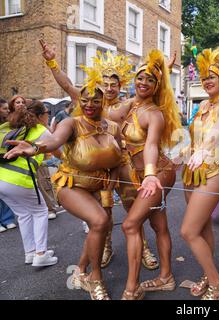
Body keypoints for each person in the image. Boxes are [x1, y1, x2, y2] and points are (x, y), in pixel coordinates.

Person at [41, 41, 158, 270]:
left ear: (120, 85)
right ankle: (105, 246)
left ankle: (143, 246)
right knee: (102, 211)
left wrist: (158, 69)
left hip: (120, 161)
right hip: (95, 166)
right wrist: (52, 62)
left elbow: (149, 90)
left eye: (113, 84)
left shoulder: (128, 104)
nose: (109, 87)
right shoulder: (91, 100)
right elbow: (67, 85)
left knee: (132, 205)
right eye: (105, 83)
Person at [5, 72, 122, 300]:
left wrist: (116, 180)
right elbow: (54, 140)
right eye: (85, 99)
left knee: (100, 227)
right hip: (72, 184)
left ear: (103, 102)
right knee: (99, 221)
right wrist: (35, 148)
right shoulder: (71, 123)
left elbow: (120, 156)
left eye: (95, 100)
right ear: (79, 100)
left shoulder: (113, 128)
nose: (89, 105)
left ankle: (79, 271)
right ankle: (95, 278)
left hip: (100, 187)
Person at [120, 49, 181, 300]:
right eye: (140, 78)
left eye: (150, 80)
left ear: (157, 86)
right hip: (143, 175)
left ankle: (132, 288)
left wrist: (148, 174)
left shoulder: (153, 113)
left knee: (130, 224)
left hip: (159, 173)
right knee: (158, 224)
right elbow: (103, 112)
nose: (144, 83)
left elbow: (151, 145)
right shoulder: (131, 105)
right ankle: (166, 277)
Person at [180, 47, 219, 300]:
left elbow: (217, 129)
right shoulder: (202, 104)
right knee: (202, 227)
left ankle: (216, 283)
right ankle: (207, 272)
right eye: (204, 77)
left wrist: (204, 150)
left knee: (188, 231)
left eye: (212, 76)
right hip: (191, 171)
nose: (206, 80)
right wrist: (183, 151)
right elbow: (196, 135)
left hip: (215, 170)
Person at [0, 100, 58, 267]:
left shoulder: (12, 128)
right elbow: (59, 153)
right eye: (46, 113)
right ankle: (41, 254)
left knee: (24, 215)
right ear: (40, 116)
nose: (48, 116)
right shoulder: (42, 131)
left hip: (1, 179)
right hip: (20, 180)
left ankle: (30, 253)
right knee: (40, 211)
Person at [0, 98, 17, 232]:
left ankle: (8, 219)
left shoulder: (10, 123)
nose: (7, 110)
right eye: (4, 108)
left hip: (6, 161)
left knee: (5, 192)